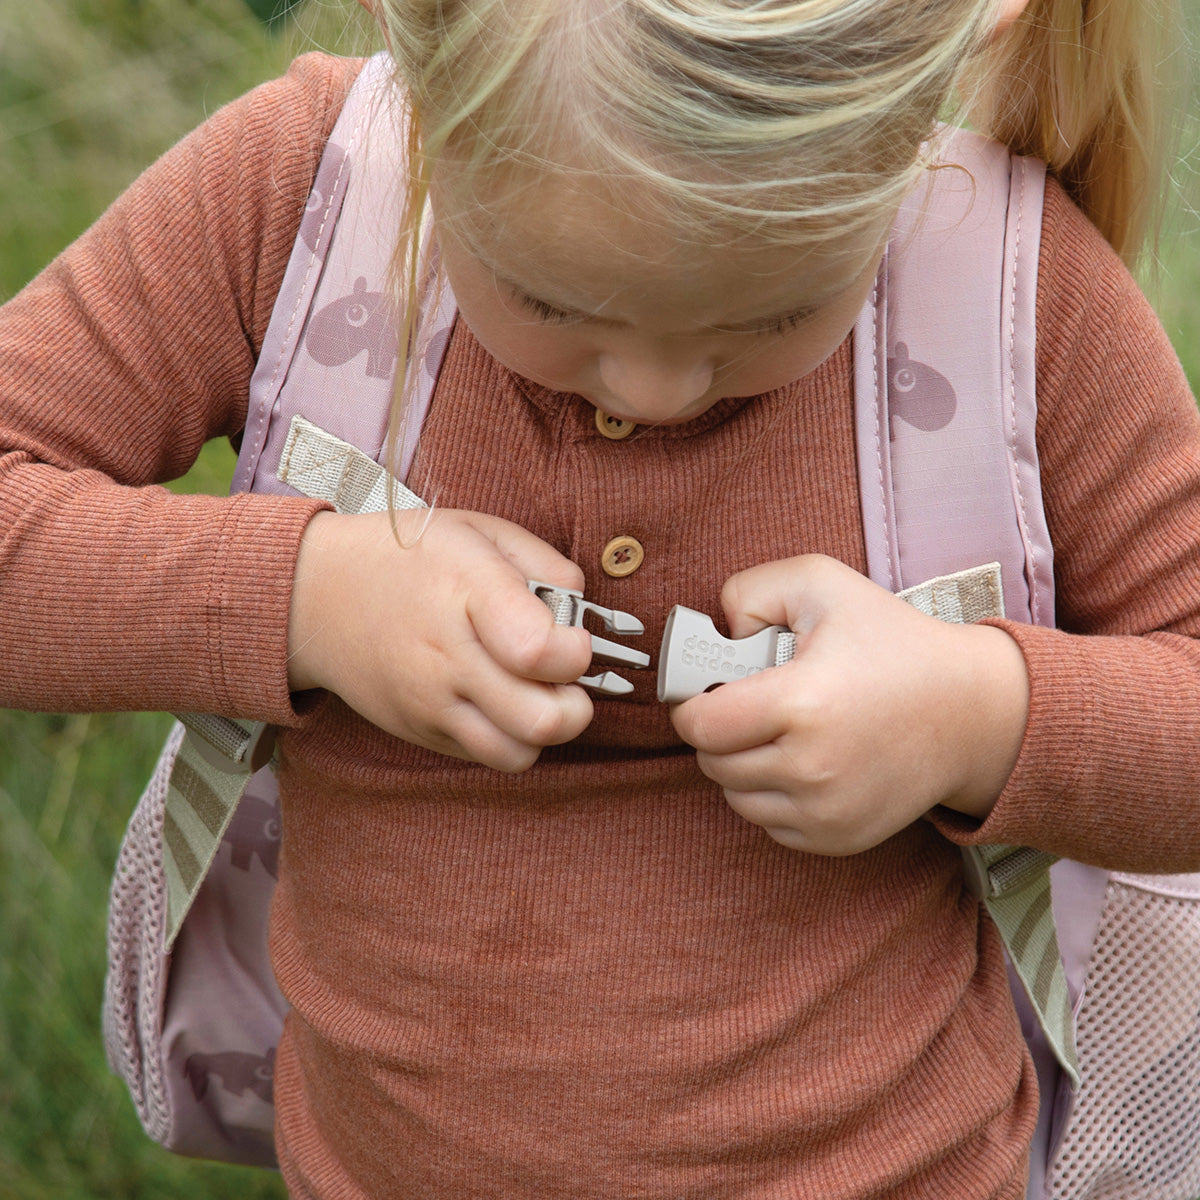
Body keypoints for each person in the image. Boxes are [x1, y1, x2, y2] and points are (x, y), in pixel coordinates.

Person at [2, 0, 1198, 1195]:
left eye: (772, 315)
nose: (662, 387)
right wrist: (312, 598)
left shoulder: (999, 286)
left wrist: (975, 718)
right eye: (557, 302)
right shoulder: (305, 202)